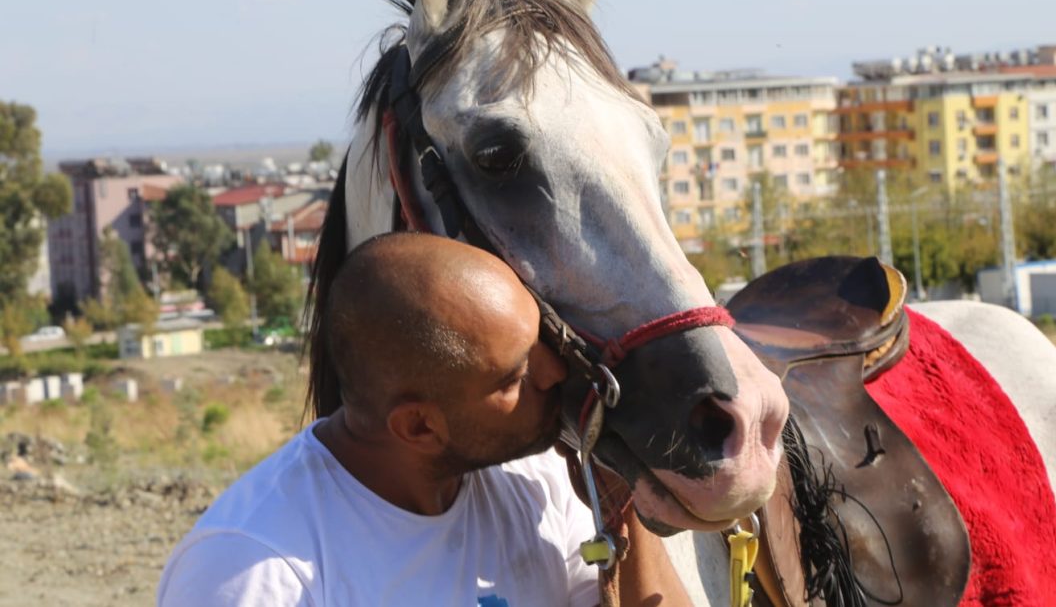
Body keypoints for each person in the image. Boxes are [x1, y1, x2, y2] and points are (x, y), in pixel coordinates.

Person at [158, 232, 689, 606]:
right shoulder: (254, 568)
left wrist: (620, 506)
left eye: (539, 340)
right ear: (418, 427)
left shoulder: (538, 480)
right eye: (512, 377)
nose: (553, 374)